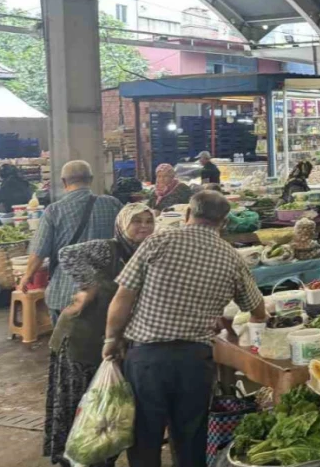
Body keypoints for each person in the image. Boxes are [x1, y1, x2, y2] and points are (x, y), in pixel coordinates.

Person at [103, 191, 267, 467]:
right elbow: (258, 310)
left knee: (144, 438)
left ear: (188, 214)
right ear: (223, 222)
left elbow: (123, 297)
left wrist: (110, 339)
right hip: (194, 361)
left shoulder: (158, 241)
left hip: (146, 360)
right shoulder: (232, 257)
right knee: (190, 439)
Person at [44, 203, 155, 467]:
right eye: (136, 221)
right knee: (81, 403)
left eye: (148, 221)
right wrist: (91, 286)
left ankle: (98, 458)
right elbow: (67, 253)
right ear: (121, 225)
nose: (143, 226)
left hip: (108, 341)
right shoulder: (109, 249)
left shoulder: (148, 253)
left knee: (105, 404)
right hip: (81, 339)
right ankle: (73, 458)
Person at [20, 162, 123, 325]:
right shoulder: (112, 204)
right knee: (103, 339)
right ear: (91, 179)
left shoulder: (54, 211)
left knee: (66, 343)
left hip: (67, 292)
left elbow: (39, 251)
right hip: (106, 288)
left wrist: (27, 276)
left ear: (64, 182)